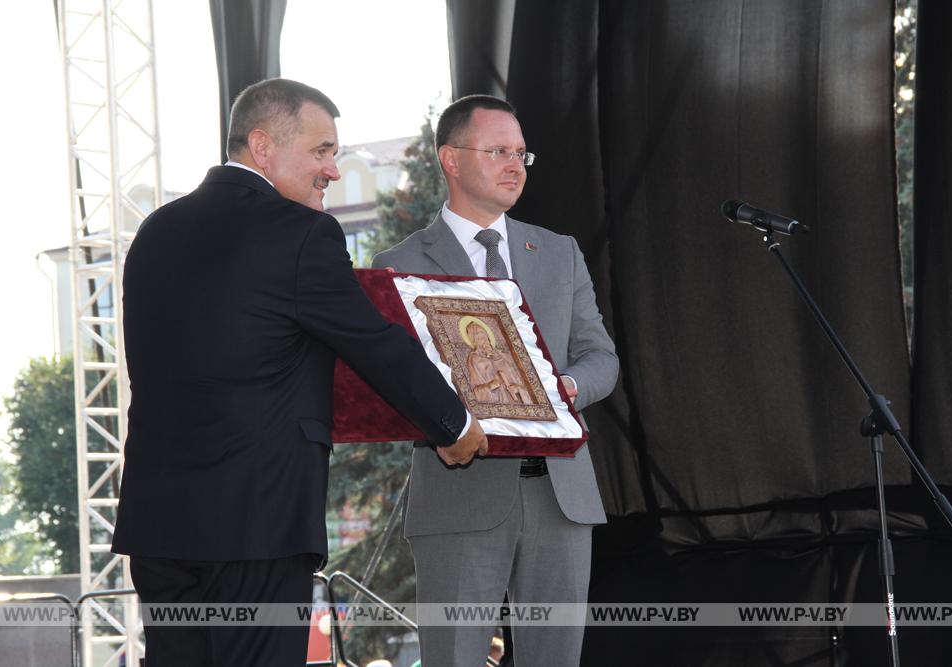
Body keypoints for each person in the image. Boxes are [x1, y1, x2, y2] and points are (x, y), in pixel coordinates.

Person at [111, 78, 487, 667]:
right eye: (322, 151)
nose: (332, 170)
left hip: (159, 523)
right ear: (263, 147)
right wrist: (454, 422)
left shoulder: (155, 232)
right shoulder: (300, 234)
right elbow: (373, 343)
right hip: (256, 525)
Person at [373, 95, 618, 667]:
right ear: (451, 160)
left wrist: (569, 388)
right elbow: (389, 384)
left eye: (521, 153)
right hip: (458, 493)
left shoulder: (559, 254)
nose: (516, 165)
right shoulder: (399, 264)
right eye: (498, 151)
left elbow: (600, 357)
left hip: (562, 497)